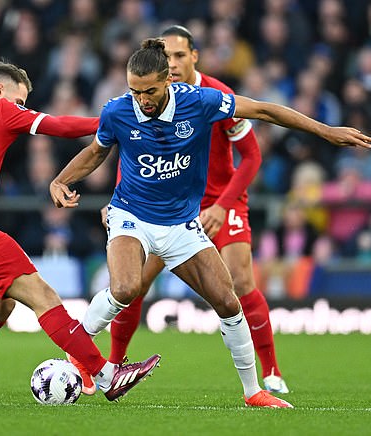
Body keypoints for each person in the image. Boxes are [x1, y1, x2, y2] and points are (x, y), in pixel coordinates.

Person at [50, 39, 371, 408]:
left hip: (181, 225)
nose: (143, 100)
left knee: (228, 301)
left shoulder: (200, 101)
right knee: (126, 288)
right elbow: (96, 151)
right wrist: (61, 179)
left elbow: (264, 111)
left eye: (150, 91)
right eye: (135, 91)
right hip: (131, 216)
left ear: (168, 80)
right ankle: (79, 356)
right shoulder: (117, 112)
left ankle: (255, 391)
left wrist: (325, 131)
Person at [0, 61, 160, 403]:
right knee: (45, 298)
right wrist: (115, 124)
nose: (22, 109)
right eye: (20, 101)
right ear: (1, 90)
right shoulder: (1, 112)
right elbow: (61, 126)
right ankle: (106, 375)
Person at [98, 24, 290, 395]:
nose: (171, 62)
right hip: (163, 203)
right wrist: (118, 198)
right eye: (166, 56)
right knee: (134, 283)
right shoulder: (146, 94)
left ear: (194, 56)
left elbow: (251, 157)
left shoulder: (215, 95)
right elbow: (133, 153)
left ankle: (271, 373)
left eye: (179, 55)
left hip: (221, 198)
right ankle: (114, 362)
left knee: (240, 280)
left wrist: (223, 205)